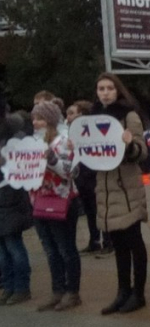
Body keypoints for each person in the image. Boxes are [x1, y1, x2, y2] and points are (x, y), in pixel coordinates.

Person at [93, 73, 150, 315]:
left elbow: (142, 153)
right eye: (101, 88)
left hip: (127, 189)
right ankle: (122, 292)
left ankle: (138, 293)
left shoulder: (129, 116)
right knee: (118, 243)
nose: (105, 92)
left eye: (109, 88)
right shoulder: (92, 119)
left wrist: (129, 145)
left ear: (118, 91)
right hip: (106, 190)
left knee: (133, 241)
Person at [30, 100, 82, 311]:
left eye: (40, 118)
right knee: (50, 250)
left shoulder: (63, 142)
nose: (35, 122)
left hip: (62, 201)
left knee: (65, 249)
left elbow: (71, 171)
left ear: (50, 120)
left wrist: (51, 159)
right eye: (34, 118)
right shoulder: (32, 142)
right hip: (39, 202)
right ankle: (57, 290)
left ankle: (73, 292)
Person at [67, 100, 111, 256]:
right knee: (89, 211)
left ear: (82, 114)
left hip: (93, 174)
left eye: (72, 113)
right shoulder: (71, 131)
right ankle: (94, 240)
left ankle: (107, 241)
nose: (69, 117)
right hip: (81, 176)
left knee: (99, 209)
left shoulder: (92, 129)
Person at [0, 114, 33, 306]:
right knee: (2, 250)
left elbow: (22, 163)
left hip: (10, 197)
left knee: (13, 245)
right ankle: (8, 286)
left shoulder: (15, 135)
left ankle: (21, 287)